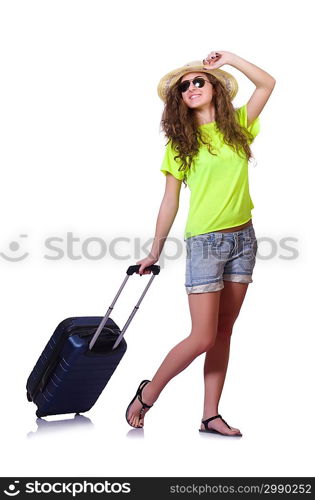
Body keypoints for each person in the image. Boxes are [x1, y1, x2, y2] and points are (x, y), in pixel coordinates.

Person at [125, 51, 276, 436]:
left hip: (244, 238)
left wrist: (228, 58)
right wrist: (154, 250)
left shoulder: (239, 125)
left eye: (198, 81)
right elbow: (170, 201)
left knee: (224, 331)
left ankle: (210, 415)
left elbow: (267, 83)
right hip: (206, 245)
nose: (191, 88)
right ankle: (149, 392)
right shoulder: (180, 144)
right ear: (179, 99)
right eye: (183, 86)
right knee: (203, 336)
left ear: (214, 89)